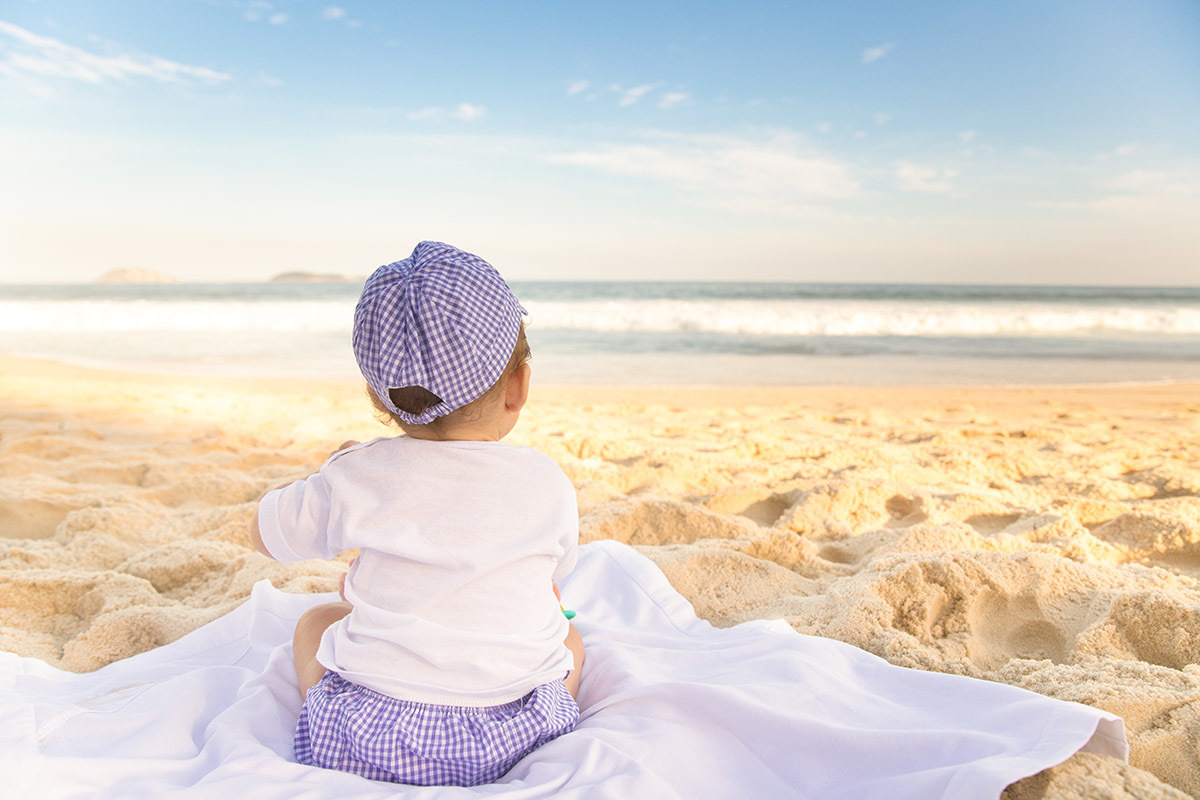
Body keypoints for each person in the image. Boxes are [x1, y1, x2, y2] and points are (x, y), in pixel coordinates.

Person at [248, 241, 585, 786]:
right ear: (519, 387)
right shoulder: (547, 481)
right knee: (571, 642)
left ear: (379, 401)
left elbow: (268, 534)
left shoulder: (357, 475)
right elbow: (555, 572)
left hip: (365, 740)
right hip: (515, 737)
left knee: (314, 622)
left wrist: (332, 472)